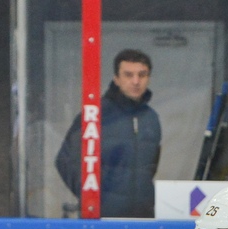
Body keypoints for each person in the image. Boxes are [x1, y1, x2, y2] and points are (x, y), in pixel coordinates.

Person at [55, 48, 161, 218]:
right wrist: (92, 198)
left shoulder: (151, 118)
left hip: (143, 217)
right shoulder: (96, 115)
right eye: (128, 75)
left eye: (142, 75)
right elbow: (65, 160)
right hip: (102, 219)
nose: (136, 81)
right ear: (116, 79)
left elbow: (151, 165)